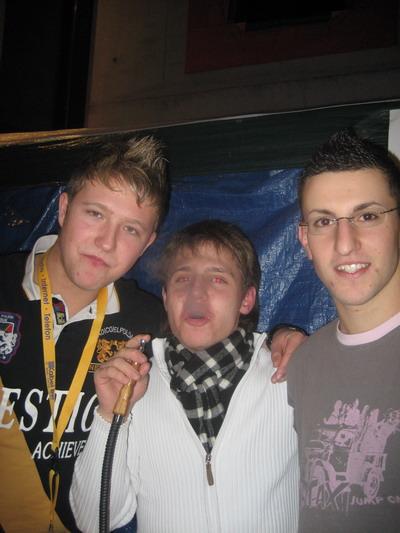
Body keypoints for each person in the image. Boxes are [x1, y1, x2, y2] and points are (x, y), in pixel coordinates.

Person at [70, 219, 300, 533]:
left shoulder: (288, 374)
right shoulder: (135, 388)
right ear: (166, 298)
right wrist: (111, 416)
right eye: (183, 279)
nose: (196, 293)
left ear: (246, 299)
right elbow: (93, 521)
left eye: (217, 279)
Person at [0, 136, 168, 532]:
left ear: (147, 244)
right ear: (63, 209)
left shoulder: (152, 326)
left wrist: (283, 341)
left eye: (130, 229)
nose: (106, 242)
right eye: (95, 214)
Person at [288, 129, 400, 532]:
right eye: (324, 221)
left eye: (367, 216)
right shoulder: (303, 363)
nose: (345, 243)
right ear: (305, 239)